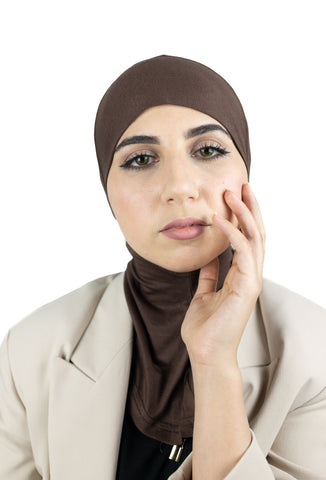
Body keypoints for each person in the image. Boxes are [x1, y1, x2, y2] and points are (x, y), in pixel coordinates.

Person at [0, 54, 325, 480]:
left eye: (208, 150)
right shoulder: (32, 350)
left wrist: (214, 362)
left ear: (247, 173)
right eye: (140, 159)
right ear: (107, 192)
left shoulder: (314, 352)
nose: (179, 188)